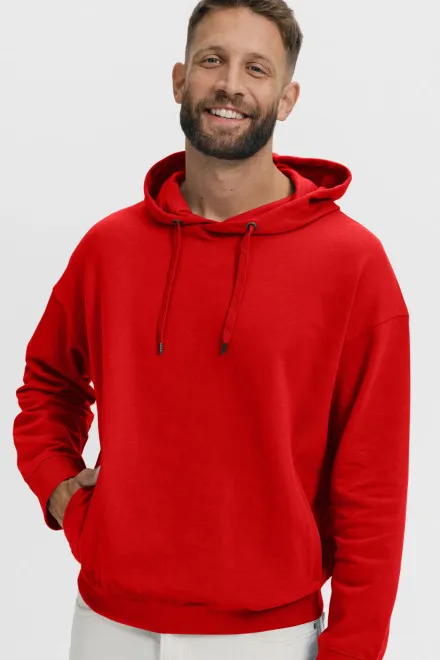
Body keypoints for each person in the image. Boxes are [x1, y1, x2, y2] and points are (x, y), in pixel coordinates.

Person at [12, 1, 411, 659]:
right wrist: (61, 489)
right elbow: (48, 384)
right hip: (109, 626)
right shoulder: (109, 248)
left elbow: (373, 488)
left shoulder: (353, 265)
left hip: (268, 637)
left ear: (287, 98)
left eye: (257, 68)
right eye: (212, 60)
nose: (230, 84)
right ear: (180, 80)